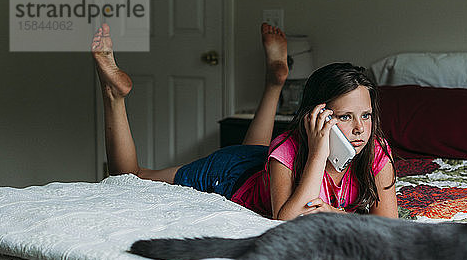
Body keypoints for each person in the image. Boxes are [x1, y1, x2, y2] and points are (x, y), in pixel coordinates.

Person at [92, 22, 398, 220]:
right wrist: (319, 153)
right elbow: (285, 221)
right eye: (346, 116)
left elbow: (390, 227)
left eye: (366, 116)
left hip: (260, 167)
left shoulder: (375, 152)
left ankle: (275, 80)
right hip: (228, 175)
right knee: (130, 176)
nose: (360, 128)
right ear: (317, 116)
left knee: (257, 150)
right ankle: (114, 97)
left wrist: (336, 214)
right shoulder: (289, 150)